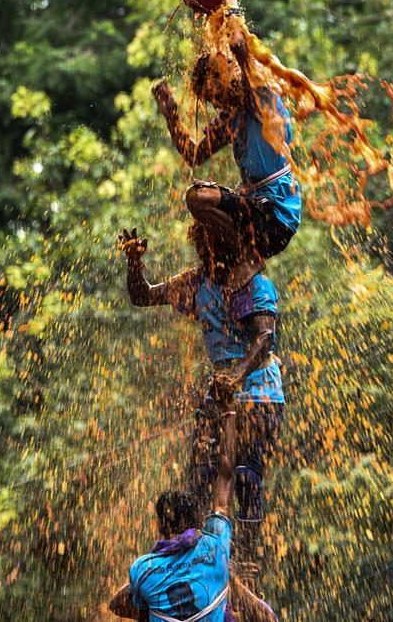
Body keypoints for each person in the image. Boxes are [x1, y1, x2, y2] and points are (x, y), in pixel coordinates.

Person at [119, 225, 284, 590]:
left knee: (245, 476)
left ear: (232, 248)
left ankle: (248, 564)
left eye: (219, 251)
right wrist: (134, 263)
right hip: (220, 395)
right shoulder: (197, 283)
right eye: (207, 252)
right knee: (199, 482)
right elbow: (144, 296)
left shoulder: (254, 285)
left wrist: (236, 376)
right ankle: (190, 563)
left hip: (259, 395)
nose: (214, 260)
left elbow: (265, 336)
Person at [108, 386, 277, 622]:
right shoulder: (215, 547)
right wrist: (229, 412)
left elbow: (115, 605)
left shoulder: (143, 570)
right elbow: (227, 474)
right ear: (196, 522)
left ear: (160, 526)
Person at [152, 37, 301, 284]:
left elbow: (241, 48)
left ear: (228, 78)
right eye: (210, 100)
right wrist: (172, 117)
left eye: (215, 93)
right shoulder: (229, 119)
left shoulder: (259, 95)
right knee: (200, 221)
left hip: (276, 215)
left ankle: (248, 258)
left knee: (199, 197)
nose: (216, 103)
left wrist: (229, 5)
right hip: (253, 211)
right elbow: (194, 155)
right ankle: (225, 275)